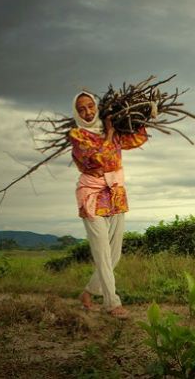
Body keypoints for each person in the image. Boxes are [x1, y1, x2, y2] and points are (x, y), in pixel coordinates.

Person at [68, 91, 148, 319]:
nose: (87, 112)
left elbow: (136, 140)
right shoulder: (77, 135)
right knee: (102, 252)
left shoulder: (109, 130)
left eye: (90, 106)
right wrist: (111, 134)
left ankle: (88, 292)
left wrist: (139, 118)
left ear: (97, 106)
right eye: (81, 109)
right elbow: (101, 160)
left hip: (114, 195)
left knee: (115, 254)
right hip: (91, 196)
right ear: (77, 112)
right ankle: (112, 303)